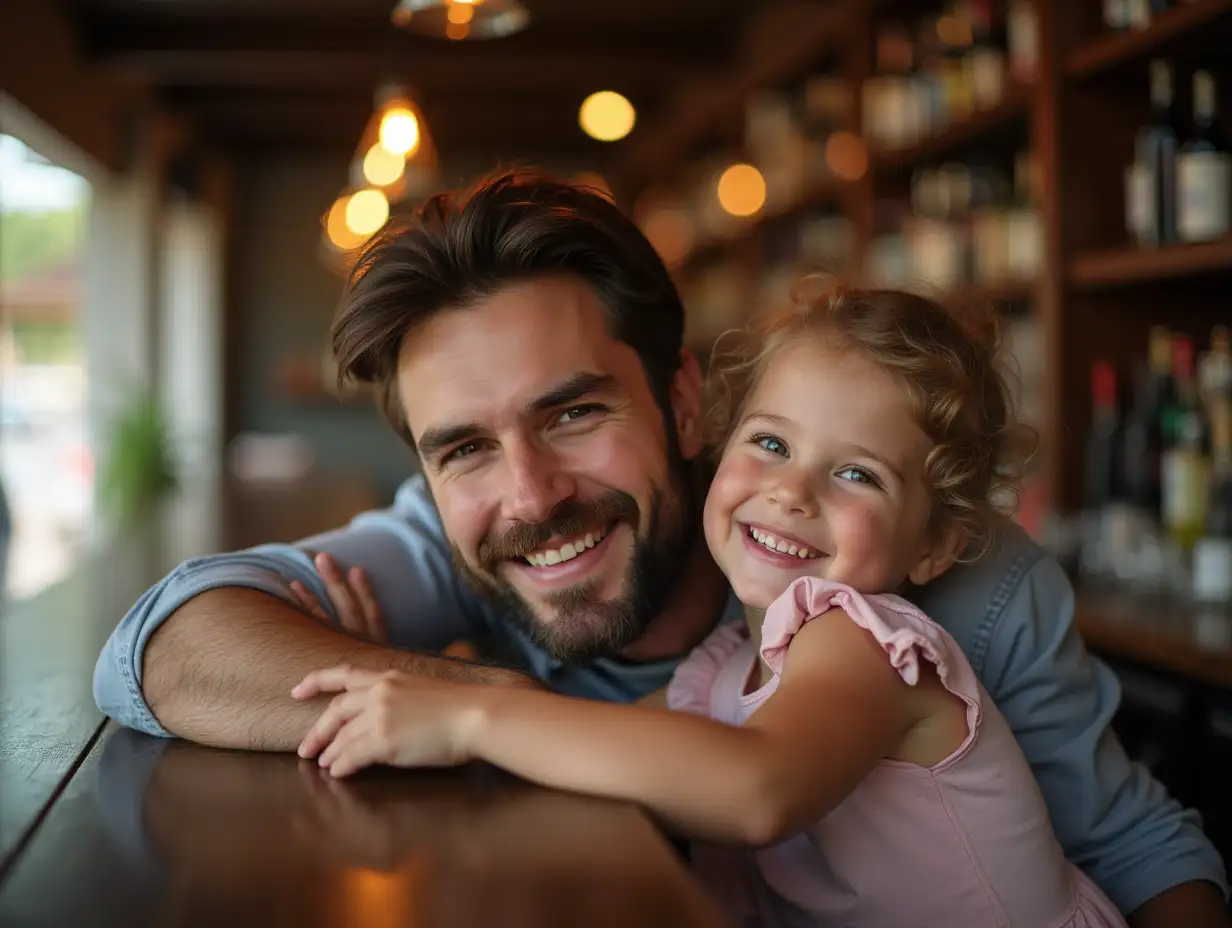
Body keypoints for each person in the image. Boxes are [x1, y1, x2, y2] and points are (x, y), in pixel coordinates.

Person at [92, 170, 1227, 925]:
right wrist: (452, 691)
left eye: (574, 412)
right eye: (463, 450)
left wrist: (470, 711)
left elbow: (1133, 848)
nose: (530, 494)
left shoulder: (941, 600)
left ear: (685, 405)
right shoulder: (459, 551)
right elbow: (157, 645)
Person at [290, 282, 1128, 925]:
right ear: (717, 442)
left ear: (935, 547)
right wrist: (398, 682)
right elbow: (588, 767)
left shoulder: (870, 646)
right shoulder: (725, 667)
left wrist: (465, 714)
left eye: (856, 473)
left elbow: (756, 788)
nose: (791, 492)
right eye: (769, 444)